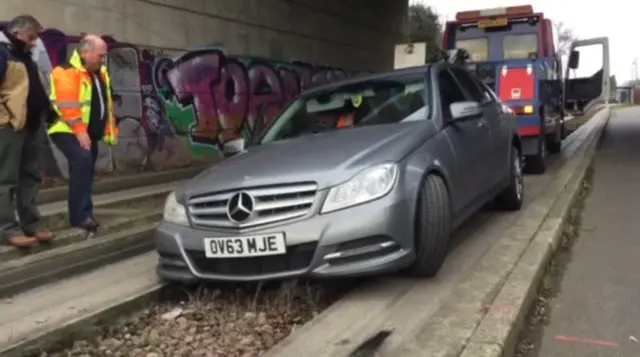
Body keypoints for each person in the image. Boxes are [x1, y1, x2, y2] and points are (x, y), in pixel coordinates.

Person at [48, 34, 118, 233]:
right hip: (66, 129)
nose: (103, 60)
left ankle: (81, 214)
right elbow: (68, 105)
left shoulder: (99, 73)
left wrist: (106, 129)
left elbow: (104, 103)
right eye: (100, 55)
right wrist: (80, 130)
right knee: (82, 160)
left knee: (85, 170)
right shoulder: (66, 72)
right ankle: (81, 216)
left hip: (87, 132)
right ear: (85, 53)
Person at [0, 15, 56, 248]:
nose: (34, 42)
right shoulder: (3, 53)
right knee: (6, 179)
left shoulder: (24, 55)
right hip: (11, 127)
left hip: (32, 126)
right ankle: (6, 228)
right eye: (31, 37)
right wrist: (5, 119)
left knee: (31, 176)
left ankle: (32, 223)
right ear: (17, 33)